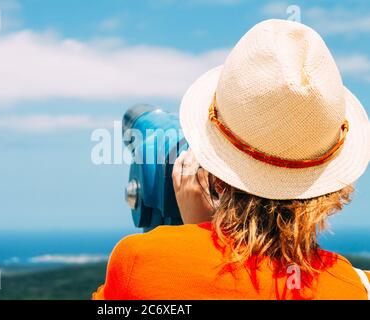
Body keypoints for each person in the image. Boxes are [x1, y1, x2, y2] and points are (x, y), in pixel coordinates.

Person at [92, 19, 370, 300]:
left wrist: (199, 239)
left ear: (215, 176)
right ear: (331, 187)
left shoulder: (139, 266)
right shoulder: (359, 288)